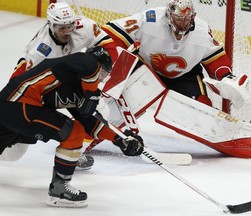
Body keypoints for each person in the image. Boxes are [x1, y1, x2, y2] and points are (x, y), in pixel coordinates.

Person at [86, 0, 251, 157]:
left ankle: (235, 139)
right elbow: (111, 33)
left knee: (201, 109)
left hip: (185, 75)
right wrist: (112, 59)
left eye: (186, 20)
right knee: (123, 103)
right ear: (168, 15)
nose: (183, 24)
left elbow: (215, 56)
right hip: (145, 69)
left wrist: (226, 76)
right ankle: (87, 132)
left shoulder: (202, 31)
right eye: (178, 19)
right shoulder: (150, 19)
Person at [0, 46, 144, 207]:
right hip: (22, 104)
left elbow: (89, 122)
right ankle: (59, 189)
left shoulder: (74, 86)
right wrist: (92, 93)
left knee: (78, 127)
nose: (101, 80)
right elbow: (88, 63)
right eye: (102, 74)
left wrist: (119, 140)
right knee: (73, 132)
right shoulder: (82, 62)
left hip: (10, 108)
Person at [11, 2, 119, 170]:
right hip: (37, 91)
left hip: (67, 79)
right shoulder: (41, 51)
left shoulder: (84, 26)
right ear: (51, 25)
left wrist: (98, 70)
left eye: (70, 26)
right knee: (15, 152)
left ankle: (74, 154)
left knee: (98, 110)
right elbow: (22, 84)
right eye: (62, 28)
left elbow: (109, 46)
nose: (67, 31)